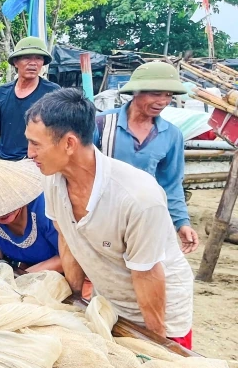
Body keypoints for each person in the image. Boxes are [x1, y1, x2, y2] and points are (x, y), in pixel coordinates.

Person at [25, 88, 194, 349]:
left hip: (161, 313)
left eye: (36, 144)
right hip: (110, 303)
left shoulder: (138, 198)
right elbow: (67, 239)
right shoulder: (52, 180)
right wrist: (75, 301)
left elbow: (148, 274)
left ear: (69, 143)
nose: (30, 153)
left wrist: (157, 343)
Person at [94, 62, 199, 254]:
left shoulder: (171, 134)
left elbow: (171, 184)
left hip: (145, 216)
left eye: (168, 95)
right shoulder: (102, 124)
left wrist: (181, 223)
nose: (163, 101)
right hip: (103, 215)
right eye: (156, 94)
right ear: (136, 92)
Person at [0, 36, 60, 160]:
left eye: (39, 58)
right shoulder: (2, 92)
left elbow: (58, 134)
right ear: (15, 62)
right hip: (2, 162)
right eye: (27, 57)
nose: (33, 63)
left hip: (35, 164)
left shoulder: (52, 93)